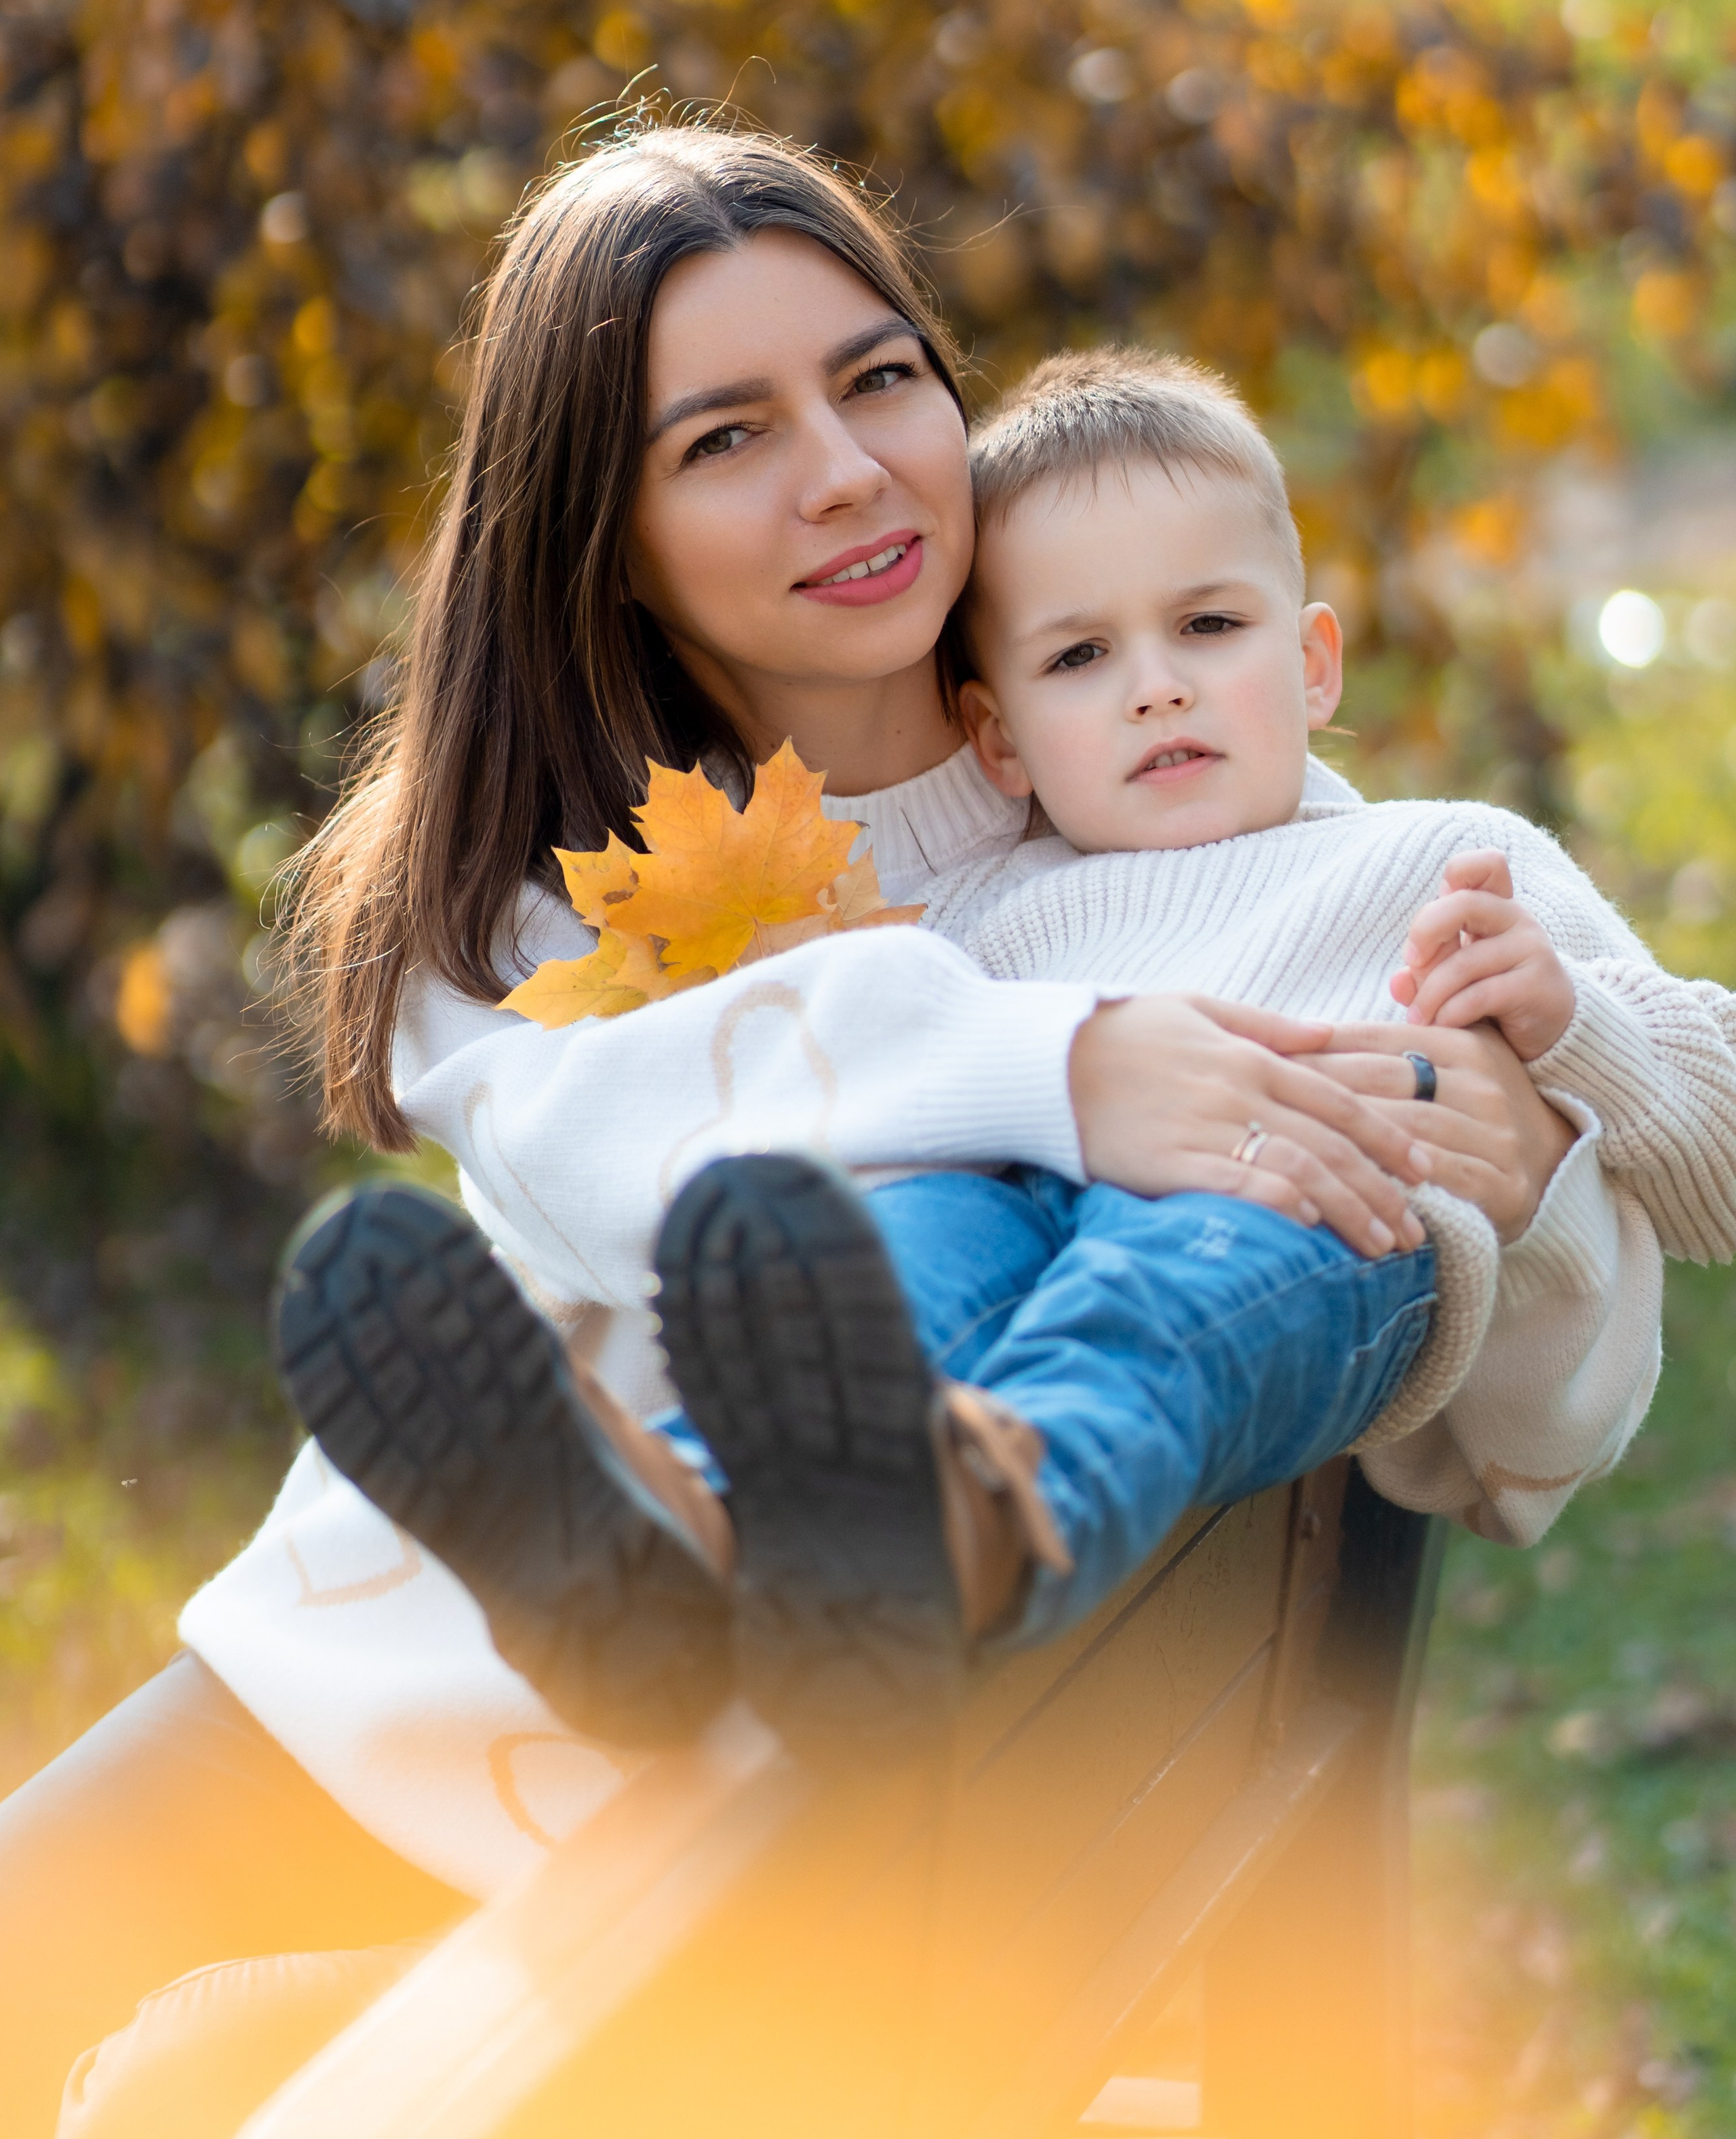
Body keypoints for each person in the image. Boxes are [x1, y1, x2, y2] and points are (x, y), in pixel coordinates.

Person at [0, 126, 1651, 2133]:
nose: (850, 469)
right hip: (362, 1696)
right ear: (600, 537)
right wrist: (1067, 1068)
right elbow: (615, 1152)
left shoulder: (1174, 803)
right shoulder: (553, 889)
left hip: (730, 1807)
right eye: (725, 439)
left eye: (881, 379)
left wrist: (1535, 1170)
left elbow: (1516, 1418)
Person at [283, 342, 1696, 1755]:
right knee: (914, 1240)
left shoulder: (1447, 868)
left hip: (1318, 1219)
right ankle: (668, 1535)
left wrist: (1578, 1042)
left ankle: (991, 1524)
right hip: (1040, 1237)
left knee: (1189, 1262)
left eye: (1207, 627)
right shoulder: (970, 925)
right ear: (998, 740)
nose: (1154, 688)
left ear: (1311, 662)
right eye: (1079, 657)